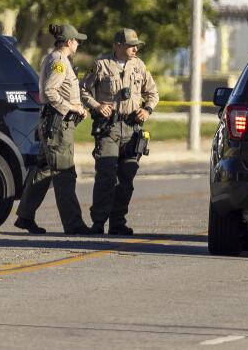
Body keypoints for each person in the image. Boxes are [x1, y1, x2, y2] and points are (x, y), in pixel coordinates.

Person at [14, 23, 92, 235]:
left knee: (43, 171)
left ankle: (25, 216)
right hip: (58, 125)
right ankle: (74, 225)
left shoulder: (54, 58)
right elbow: (50, 92)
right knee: (64, 174)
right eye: (76, 40)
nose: (78, 44)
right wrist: (72, 107)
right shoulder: (59, 62)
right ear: (68, 42)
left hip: (53, 124)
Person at [80, 28, 159, 235]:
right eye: (131, 45)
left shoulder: (139, 66)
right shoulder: (101, 65)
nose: (135, 49)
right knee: (106, 175)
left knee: (126, 178)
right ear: (118, 46)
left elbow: (153, 93)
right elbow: (83, 91)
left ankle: (118, 223)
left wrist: (147, 110)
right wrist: (97, 106)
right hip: (109, 128)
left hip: (132, 129)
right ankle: (98, 223)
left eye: (136, 45)